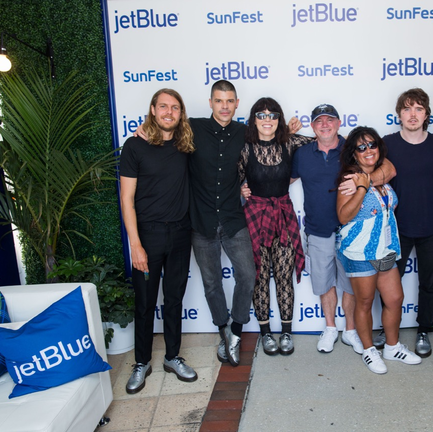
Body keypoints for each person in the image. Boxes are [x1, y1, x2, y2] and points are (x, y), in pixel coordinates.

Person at [133, 81, 301, 367]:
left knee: (248, 275)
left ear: (237, 104)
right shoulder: (192, 128)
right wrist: (142, 129)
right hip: (200, 222)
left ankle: (235, 332)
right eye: (219, 101)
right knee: (212, 283)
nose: (224, 106)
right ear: (210, 102)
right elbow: (166, 124)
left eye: (230, 101)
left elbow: (269, 145)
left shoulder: (244, 133)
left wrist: (289, 130)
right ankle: (223, 331)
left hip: (235, 220)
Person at [290, 104, 395, 355]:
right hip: (318, 230)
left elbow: (389, 169)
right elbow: (283, 179)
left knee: (350, 285)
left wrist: (363, 182)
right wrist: (248, 187)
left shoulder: (352, 148)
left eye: (330, 120)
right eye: (319, 121)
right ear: (313, 127)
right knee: (325, 284)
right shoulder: (302, 154)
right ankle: (329, 328)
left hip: (352, 230)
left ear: (339, 123)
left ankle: (349, 330)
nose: (325, 125)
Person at [119, 88, 197, 394]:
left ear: (181, 113)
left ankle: (173, 357)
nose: (169, 112)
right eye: (163, 106)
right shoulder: (135, 146)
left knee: (174, 300)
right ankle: (142, 362)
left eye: (175, 108)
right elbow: (127, 199)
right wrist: (135, 244)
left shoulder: (186, 145)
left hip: (181, 235)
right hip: (148, 238)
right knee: (145, 302)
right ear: (152, 110)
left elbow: (220, 126)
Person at [335, 126, 421, 374]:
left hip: (385, 249)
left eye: (371, 144)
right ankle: (369, 350)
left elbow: (389, 168)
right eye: (361, 148)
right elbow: (342, 216)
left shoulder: (381, 174)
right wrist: (361, 188)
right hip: (360, 252)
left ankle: (392, 347)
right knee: (364, 302)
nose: (368, 150)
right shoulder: (349, 180)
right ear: (354, 154)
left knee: (395, 299)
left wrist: (369, 180)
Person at [238, 97, 310, 356]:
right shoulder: (244, 148)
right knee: (259, 279)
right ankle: (266, 333)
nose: (267, 119)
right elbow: (225, 179)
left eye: (273, 114)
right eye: (261, 114)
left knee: (283, 277)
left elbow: (326, 144)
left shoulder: (290, 143)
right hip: (255, 217)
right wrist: (240, 188)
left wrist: (291, 132)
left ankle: (287, 332)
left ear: (279, 119)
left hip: (283, 216)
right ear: (253, 119)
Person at [374, 88, 433, 358]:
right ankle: (387, 328)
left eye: (418, 109)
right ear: (399, 114)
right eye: (406, 108)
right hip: (396, 229)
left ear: (426, 114)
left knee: (428, 282)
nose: (412, 114)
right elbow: (374, 175)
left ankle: (424, 329)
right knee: (389, 283)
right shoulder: (387, 143)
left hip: (431, 227)